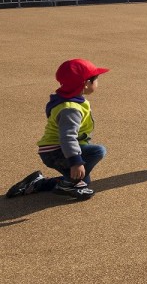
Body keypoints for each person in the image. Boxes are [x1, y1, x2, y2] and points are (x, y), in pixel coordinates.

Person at [6, 58, 110, 201]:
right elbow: (67, 137)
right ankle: (68, 183)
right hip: (55, 151)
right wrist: (76, 162)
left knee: (84, 183)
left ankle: (39, 183)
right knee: (98, 151)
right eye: (96, 79)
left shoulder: (70, 98)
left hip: (58, 149)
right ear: (86, 84)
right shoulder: (71, 109)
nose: (98, 83)